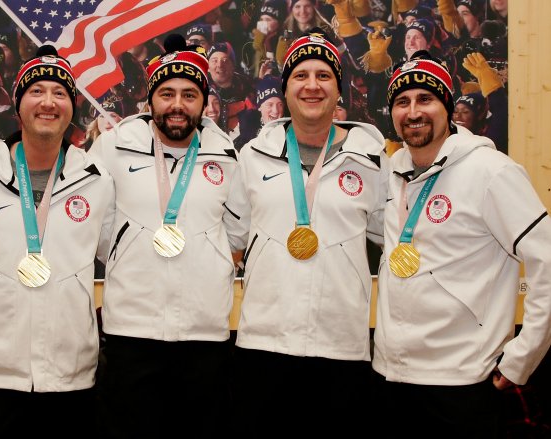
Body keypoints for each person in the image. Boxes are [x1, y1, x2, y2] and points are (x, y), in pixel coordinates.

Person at [373, 50, 551, 437]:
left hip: (464, 383)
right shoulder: (391, 173)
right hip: (392, 376)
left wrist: (523, 356)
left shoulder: (491, 171)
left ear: (448, 107)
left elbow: (548, 261)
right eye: (402, 102)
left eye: (426, 99)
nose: (413, 111)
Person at [228, 28, 386, 437]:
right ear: (285, 89)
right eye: (300, 75)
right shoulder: (252, 155)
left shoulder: (371, 161)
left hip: (341, 344)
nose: (312, 85)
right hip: (264, 344)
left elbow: (394, 238)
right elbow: (231, 240)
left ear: (339, 90)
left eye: (323, 75)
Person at [0, 45, 115, 438]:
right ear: (17, 102)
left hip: (71, 377)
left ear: (72, 107)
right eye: (36, 91)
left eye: (59, 93)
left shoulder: (97, 182)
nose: (48, 102)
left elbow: (122, 256)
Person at [89, 34, 242, 439]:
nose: (177, 105)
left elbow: (238, 231)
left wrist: (205, 262)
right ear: (150, 99)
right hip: (130, 333)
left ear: (204, 101)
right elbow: (97, 227)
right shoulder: (113, 146)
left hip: (204, 333)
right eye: (167, 93)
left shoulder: (225, 153)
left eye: (189, 94)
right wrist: (130, 250)